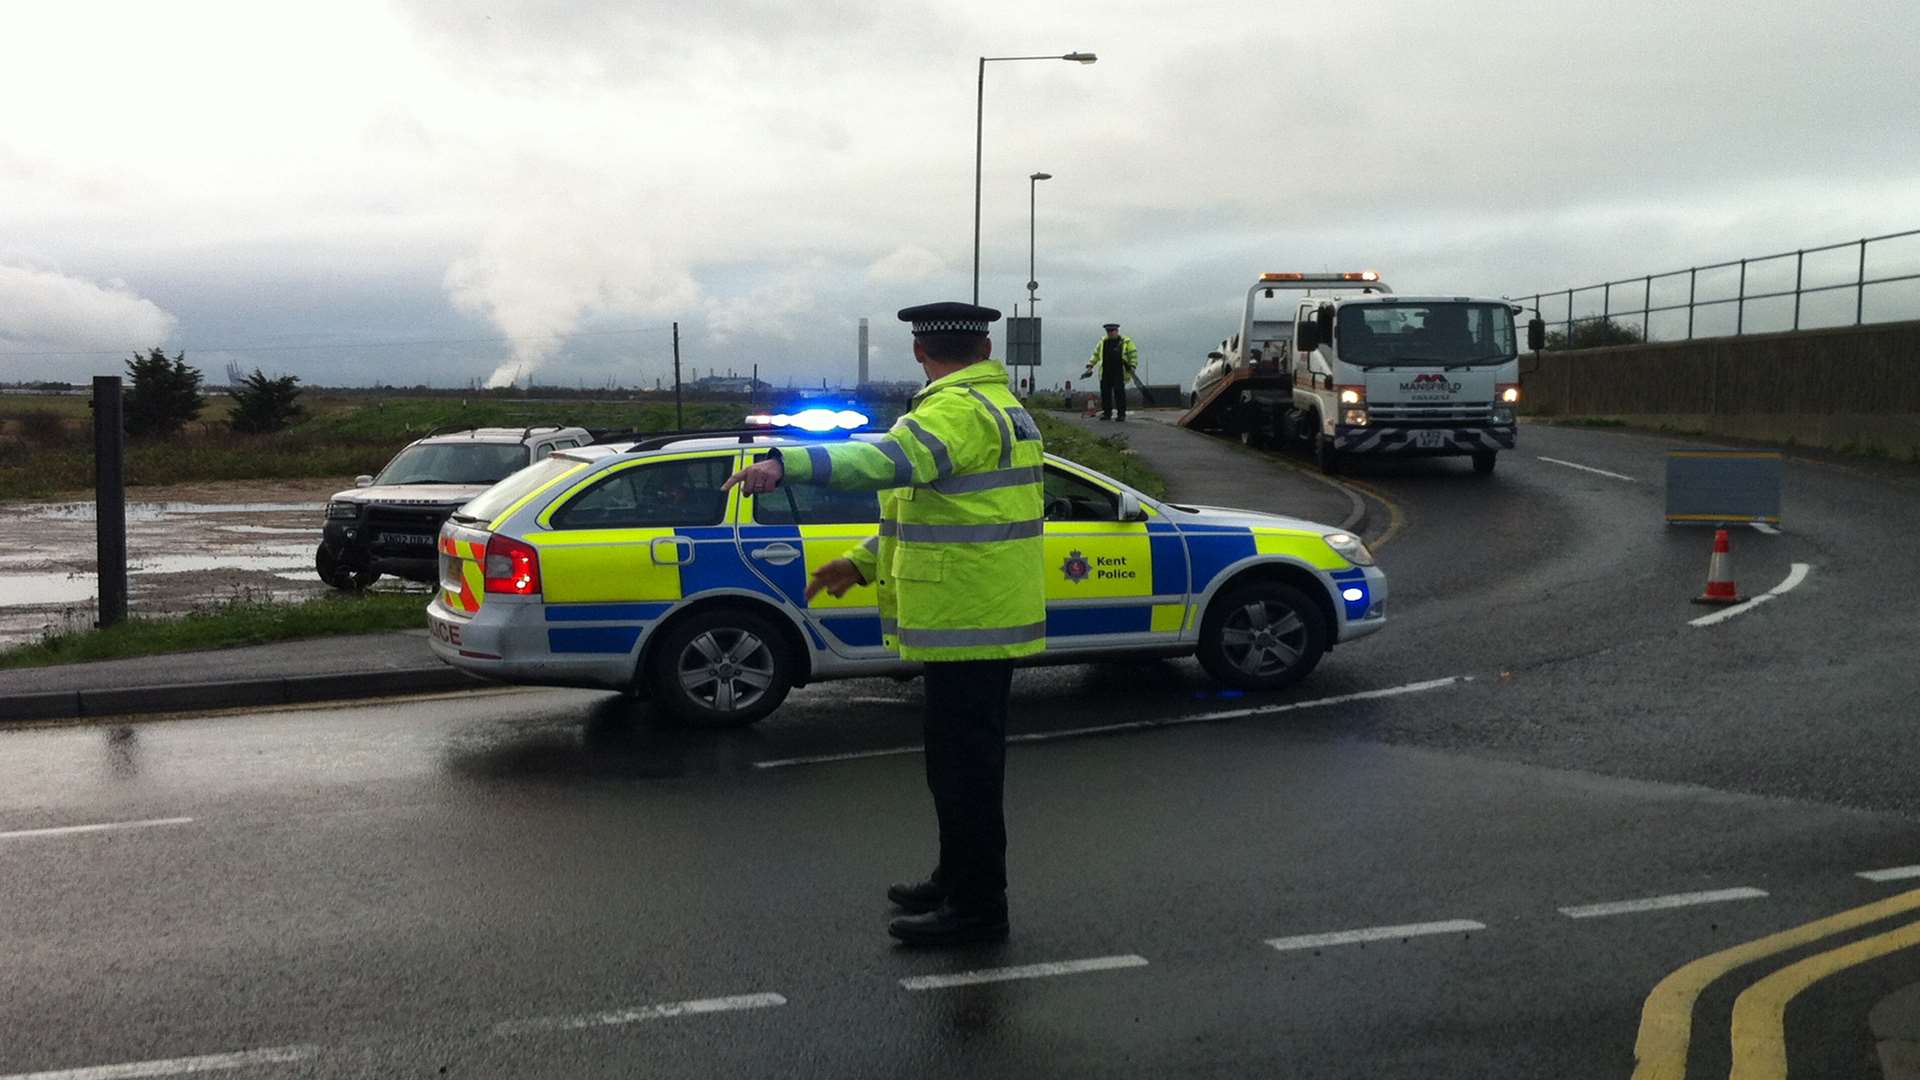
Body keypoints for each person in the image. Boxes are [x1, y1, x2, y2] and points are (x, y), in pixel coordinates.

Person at [723, 301, 1045, 947]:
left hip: (968, 618)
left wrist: (789, 461)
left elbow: (886, 463)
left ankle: (980, 911)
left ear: (920, 353)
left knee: (965, 775)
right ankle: (956, 881)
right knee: (956, 769)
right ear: (984, 347)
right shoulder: (992, 405)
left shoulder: (956, 410)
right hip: (978, 611)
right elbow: (925, 508)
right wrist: (862, 563)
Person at [1082, 322, 1140, 421]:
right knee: (1105, 393)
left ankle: (1121, 414)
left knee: (1119, 393)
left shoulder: (1126, 342)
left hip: (1119, 372)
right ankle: (1107, 413)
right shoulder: (1102, 342)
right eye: (1108, 331)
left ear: (1117, 331)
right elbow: (1096, 354)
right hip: (1106, 371)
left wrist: (1133, 366)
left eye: (1112, 331)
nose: (1110, 333)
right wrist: (1090, 365)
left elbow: (1133, 354)